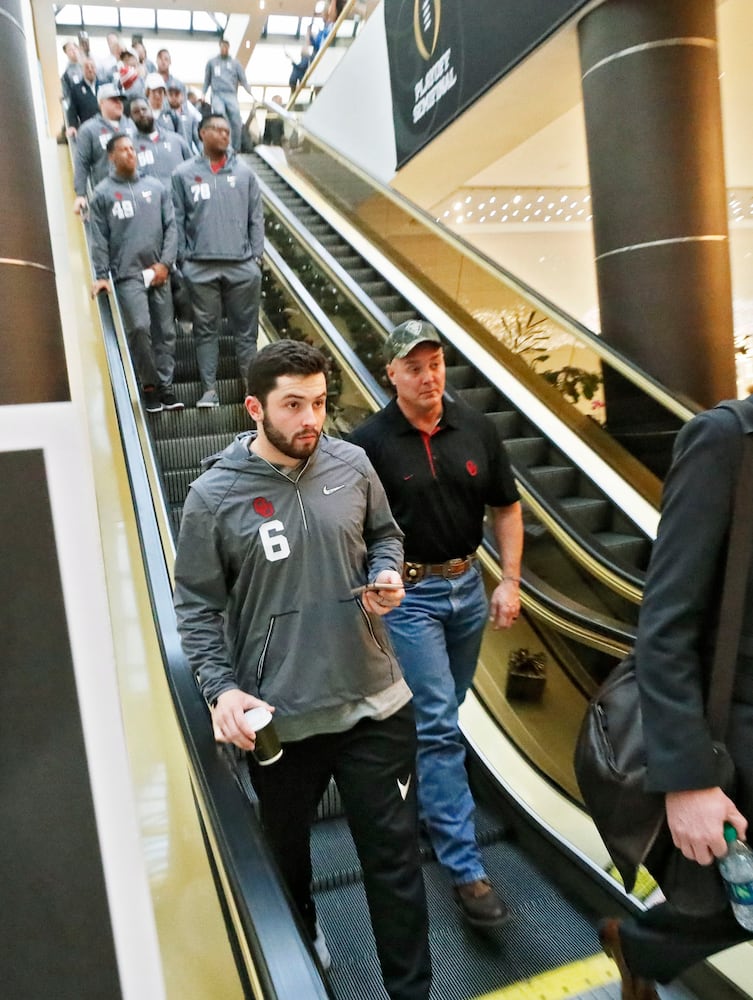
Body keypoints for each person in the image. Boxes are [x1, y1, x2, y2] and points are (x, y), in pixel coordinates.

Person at [173, 339, 432, 1000]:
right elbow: (197, 609)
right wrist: (220, 688)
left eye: (318, 402)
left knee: (395, 865)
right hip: (279, 722)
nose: (309, 418)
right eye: (293, 405)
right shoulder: (212, 496)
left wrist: (384, 570)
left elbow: (385, 533)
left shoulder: (352, 463)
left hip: (374, 701)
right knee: (285, 857)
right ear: (256, 407)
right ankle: (303, 942)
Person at [349, 319, 524, 928]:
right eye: (415, 366)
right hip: (413, 599)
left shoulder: (475, 427)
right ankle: (466, 869)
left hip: (469, 589)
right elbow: (352, 524)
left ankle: (423, 795)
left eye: (436, 363)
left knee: (439, 714)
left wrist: (509, 580)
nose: (429, 376)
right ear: (391, 373)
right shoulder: (368, 442)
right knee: (442, 725)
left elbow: (507, 505)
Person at [598, 397, 753, 999]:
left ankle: (641, 947)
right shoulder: (725, 442)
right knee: (729, 897)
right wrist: (688, 779)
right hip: (738, 728)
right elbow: (665, 625)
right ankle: (641, 946)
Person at [171, 113, 264, 407]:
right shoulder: (183, 174)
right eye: (218, 130)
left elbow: (256, 218)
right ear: (202, 133)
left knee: (246, 334)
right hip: (200, 267)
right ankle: (209, 390)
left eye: (227, 130)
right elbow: (177, 219)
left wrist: (256, 258)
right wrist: (184, 259)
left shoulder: (246, 174)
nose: (225, 135)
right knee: (205, 331)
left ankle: (252, 392)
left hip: (242, 265)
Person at [88, 134, 181, 414]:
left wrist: (165, 264)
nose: (130, 153)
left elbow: (171, 228)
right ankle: (149, 385)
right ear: (111, 157)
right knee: (139, 329)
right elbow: (100, 238)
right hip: (127, 274)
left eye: (132, 148)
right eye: (123, 150)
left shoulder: (155, 187)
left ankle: (166, 387)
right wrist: (101, 274)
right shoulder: (103, 194)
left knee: (165, 331)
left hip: (159, 272)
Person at [72, 83, 134, 215]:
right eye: (113, 100)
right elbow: (82, 163)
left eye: (120, 100)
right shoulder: (89, 129)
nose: (119, 103)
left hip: (134, 191)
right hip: (107, 195)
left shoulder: (131, 125)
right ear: (101, 103)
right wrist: (80, 194)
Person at [202, 37, 255, 152]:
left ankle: (236, 148)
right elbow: (207, 80)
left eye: (226, 46)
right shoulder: (212, 62)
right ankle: (226, 146)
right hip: (217, 94)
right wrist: (203, 93)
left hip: (231, 94)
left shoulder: (235, 63)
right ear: (220, 46)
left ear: (229, 47)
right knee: (220, 116)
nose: (224, 49)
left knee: (236, 118)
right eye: (222, 46)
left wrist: (251, 93)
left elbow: (244, 80)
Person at [129, 98, 191, 182]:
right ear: (131, 118)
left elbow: (192, 168)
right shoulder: (130, 147)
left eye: (144, 109)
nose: (141, 113)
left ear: (150, 109)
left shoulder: (176, 140)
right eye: (136, 112)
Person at [64, 56, 99, 137]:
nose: (90, 70)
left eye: (92, 67)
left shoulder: (104, 85)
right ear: (82, 70)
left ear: (96, 68)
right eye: (87, 67)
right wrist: (72, 126)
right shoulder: (76, 89)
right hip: (88, 130)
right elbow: (72, 110)